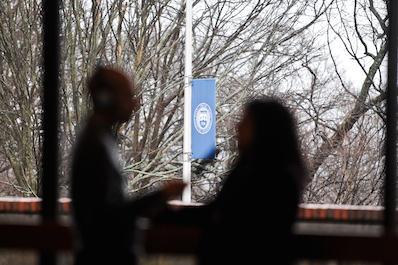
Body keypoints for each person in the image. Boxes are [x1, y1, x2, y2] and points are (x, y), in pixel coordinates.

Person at [71, 66, 185, 265]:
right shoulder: (95, 146)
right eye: (128, 96)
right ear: (106, 99)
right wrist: (160, 195)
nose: (135, 103)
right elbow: (109, 218)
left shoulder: (99, 139)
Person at [195, 98, 306, 264]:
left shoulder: (274, 179)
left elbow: (239, 227)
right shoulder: (251, 169)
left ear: (264, 130)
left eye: (246, 123)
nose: (238, 128)